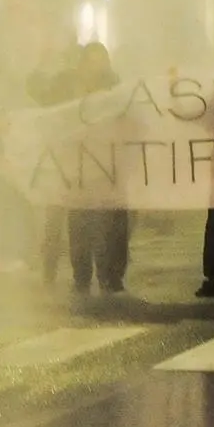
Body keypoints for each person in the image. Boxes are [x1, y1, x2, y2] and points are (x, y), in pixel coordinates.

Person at [65, 42, 130, 293]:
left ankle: (112, 275)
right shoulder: (71, 90)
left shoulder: (117, 89)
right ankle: (82, 276)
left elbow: (128, 120)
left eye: (101, 61)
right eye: (92, 61)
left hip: (110, 167)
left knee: (113, 223)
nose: (97, 67)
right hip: (80, 168)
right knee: (80, 221)